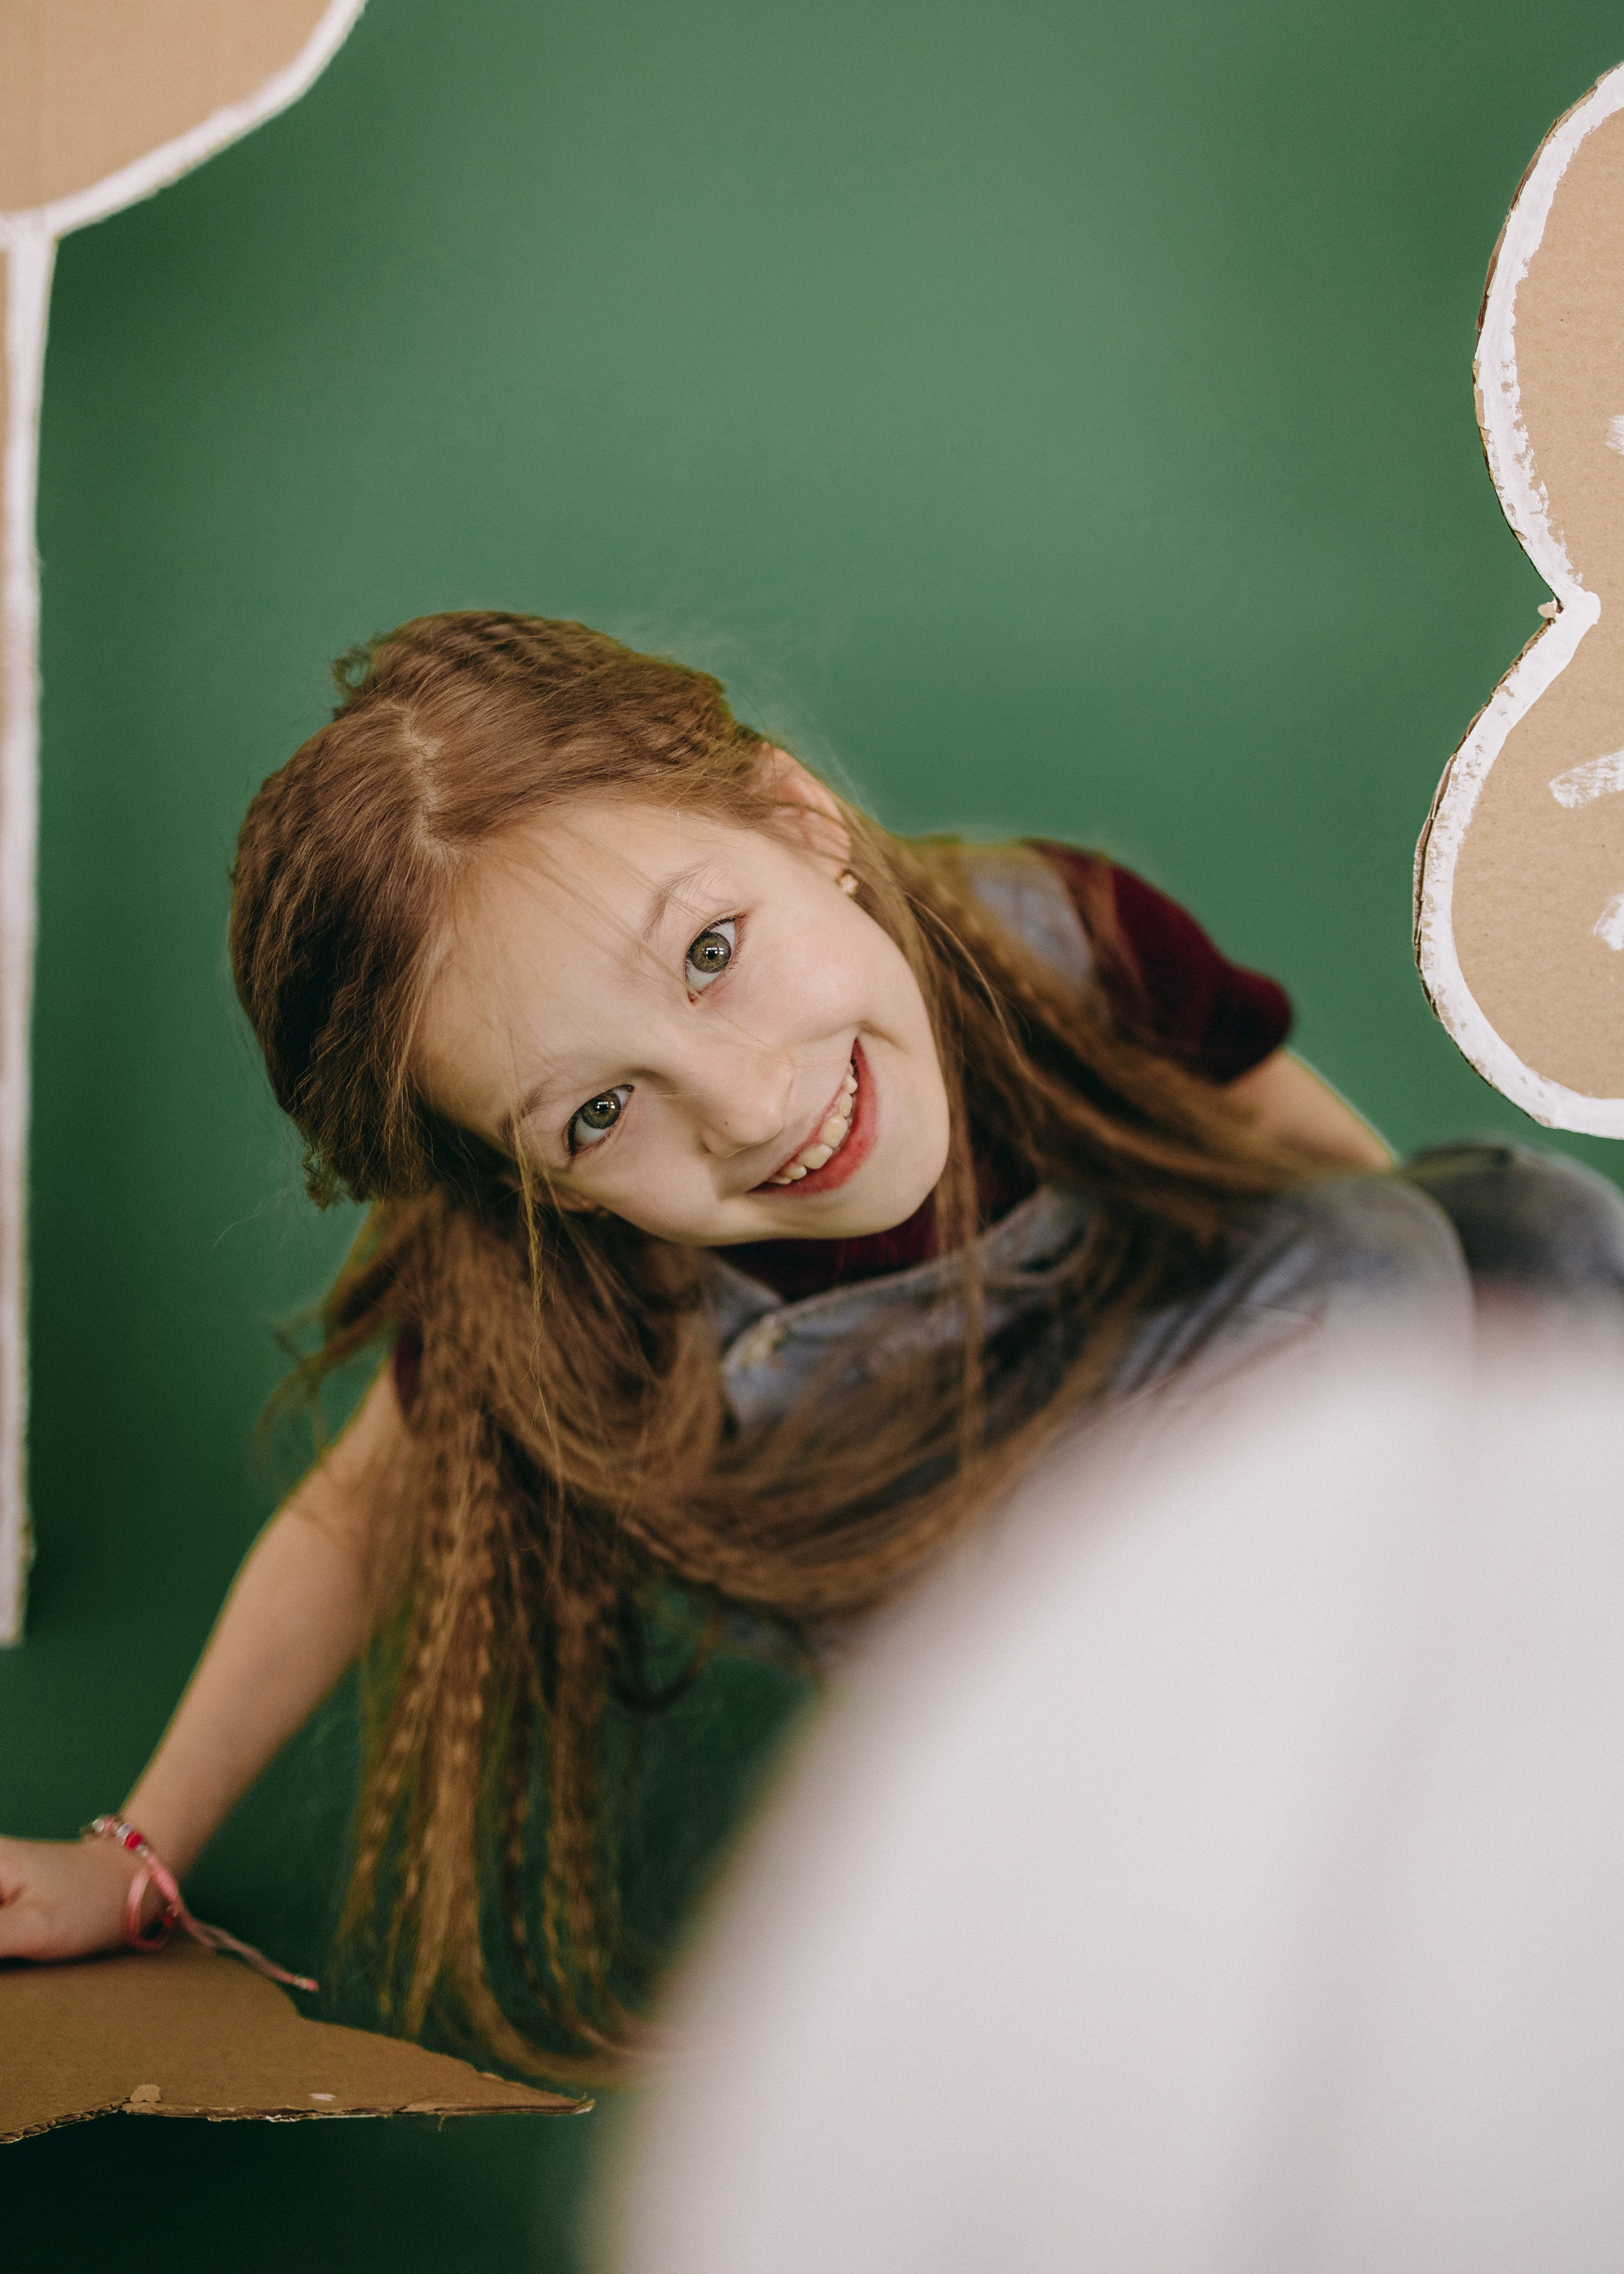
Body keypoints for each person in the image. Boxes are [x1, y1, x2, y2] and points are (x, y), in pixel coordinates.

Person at [0, 613, 1617, 2080]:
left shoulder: (1061, 936)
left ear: (794, 821)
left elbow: (1312, 1174)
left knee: (1476, 1235)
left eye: (710, 952)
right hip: (942, 1564)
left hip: (1202, 1423)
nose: (759, 1107)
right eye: (600, 1112)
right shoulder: (566, 1283)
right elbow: (353, 1518)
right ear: (529, 1177)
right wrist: (135, 1851)